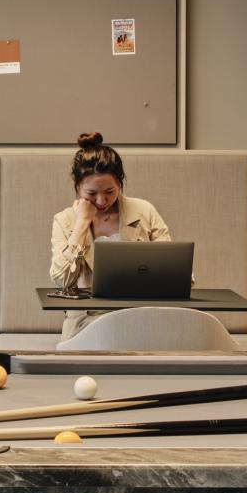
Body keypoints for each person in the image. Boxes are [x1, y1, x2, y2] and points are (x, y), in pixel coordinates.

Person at [49, 132, 171, 339]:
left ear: (120, 184)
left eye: (109, 192)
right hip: (86, 322)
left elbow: (173, 269)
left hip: (139, 315)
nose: (101, 200)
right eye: (91, 194)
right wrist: (81, 223)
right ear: (78, 187)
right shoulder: (64, 220)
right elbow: (62, 280)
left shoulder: (144, 210)